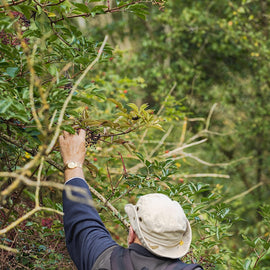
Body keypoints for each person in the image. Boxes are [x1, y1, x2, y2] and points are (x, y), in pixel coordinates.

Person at [59, 130, 203, 270]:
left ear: (131, 233)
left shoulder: (104, 259)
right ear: (179, 244)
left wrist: (73, 163)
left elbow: (82, 220)